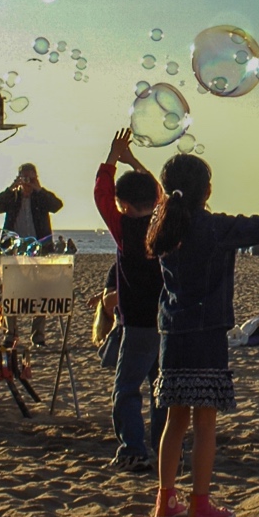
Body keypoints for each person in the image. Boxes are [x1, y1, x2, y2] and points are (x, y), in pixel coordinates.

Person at [146, 146, 259, 517]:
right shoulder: (212, 227)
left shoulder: (163, 226)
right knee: (205, 422)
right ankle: (200, 504)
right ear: (206, 192)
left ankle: (164, 500)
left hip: (172, 333)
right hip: (206, 334)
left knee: (175, 420)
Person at [93, 129, 164, 472]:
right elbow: (159, 193)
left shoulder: (125, 229)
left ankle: (133, 449)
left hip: (136, 324)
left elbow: (101, 196)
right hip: (167, 321)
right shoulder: (164, 224)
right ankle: (167, 448)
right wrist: (133, 161)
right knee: (161, 390)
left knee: (126, 389)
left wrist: (112, 157)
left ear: (123, 204)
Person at [0, 163, 65, 346]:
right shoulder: (13, 198)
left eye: (31, 178)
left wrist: (39, 189)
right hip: (13, 251)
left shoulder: (40, 198)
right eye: (25, 178)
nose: (28, 183)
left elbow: (57, 205)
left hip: (39, 251)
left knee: (40, 293)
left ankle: (38, 335)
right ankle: (11, 333)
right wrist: (11, 187)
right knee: (10, 293)